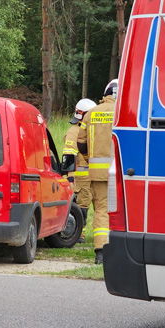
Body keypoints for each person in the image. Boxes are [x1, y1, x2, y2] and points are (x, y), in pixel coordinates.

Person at [77, 79, 117, 264]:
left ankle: (101, 251)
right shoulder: (125, 111)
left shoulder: (91, 114)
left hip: (98, 174)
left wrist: (88, 159)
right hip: (124, 174)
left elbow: (81, 143)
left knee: (101, 210)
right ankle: (120, 249)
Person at [62, 98, 96, 236]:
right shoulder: (74, 131)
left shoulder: (92, 131)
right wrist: (70, 178)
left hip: (95, 176)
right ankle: (78, 233)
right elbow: (69, 155)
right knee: (82, 205)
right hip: (80, 178)